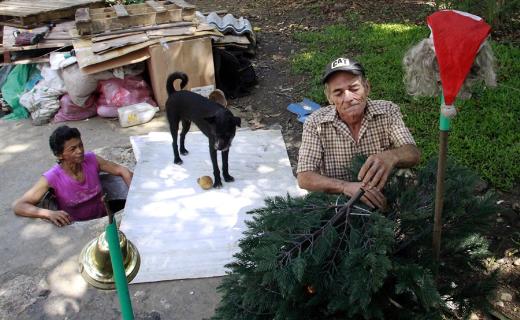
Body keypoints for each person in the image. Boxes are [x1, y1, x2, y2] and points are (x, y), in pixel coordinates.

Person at [297, 57, 420, 210]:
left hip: (384, 197)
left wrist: (392, 156)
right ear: (329, 97)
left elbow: (413, 153)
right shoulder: (315, 123)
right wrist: (345, 187)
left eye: (354, 89)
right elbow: (304, 177)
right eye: (338, 92)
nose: (348, 98)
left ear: (367, 87)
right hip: (339, 204)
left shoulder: (388, 111)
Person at [12, 125, 133, 227]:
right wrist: (49, 214)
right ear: (59, 155)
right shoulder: (52, 177)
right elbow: (19, 206)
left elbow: (122, 170)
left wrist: (134, 196)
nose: (80, 151)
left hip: (104, 221)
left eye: (80, 145)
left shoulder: (91, 159)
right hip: (77, 228)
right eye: (73, 149)